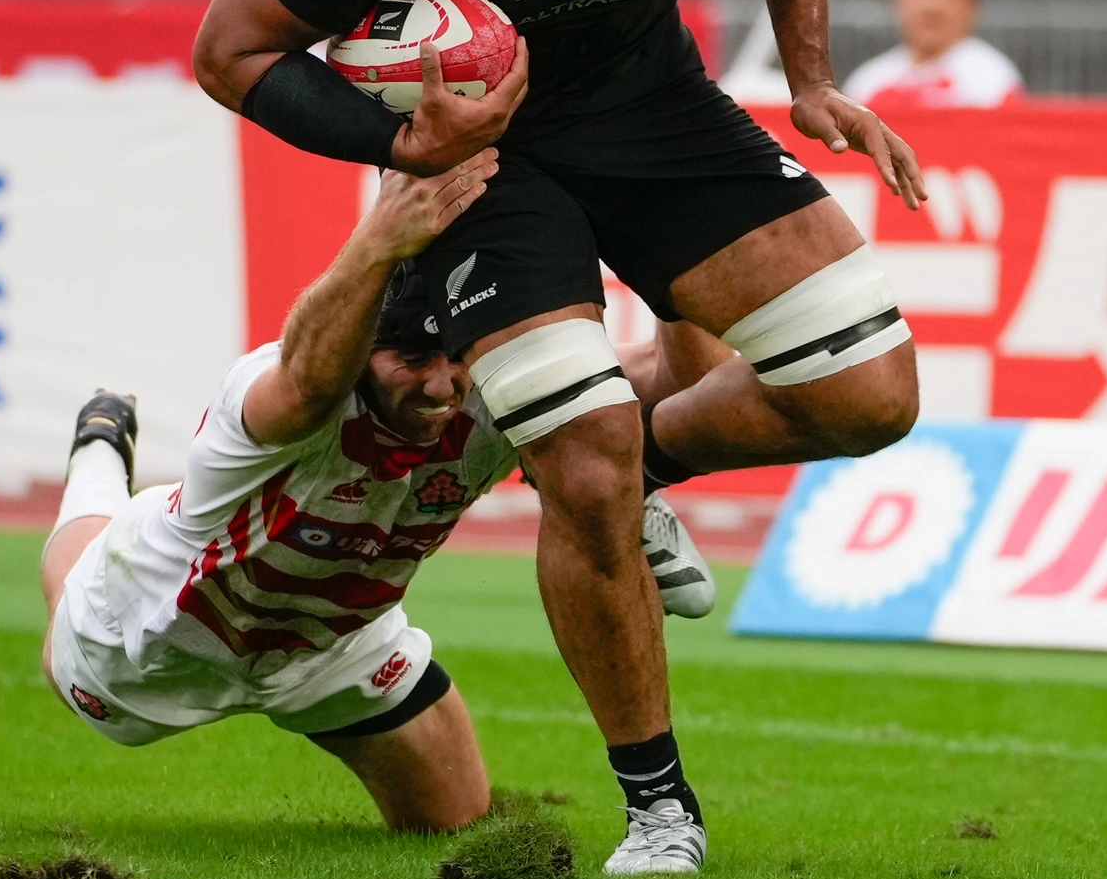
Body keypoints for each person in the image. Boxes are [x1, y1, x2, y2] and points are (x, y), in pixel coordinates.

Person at [191, 0, 924, 875]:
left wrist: (806, 72)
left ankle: (649, 462)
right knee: (578, 463)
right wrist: (398, 144)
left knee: (869, 397)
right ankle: (658, 809)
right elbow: (229, 51)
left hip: (651, 104)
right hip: (483, 162)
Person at [41, 152, 715, 837]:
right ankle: (98, 448)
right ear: (364, 347)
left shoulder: (506, 385)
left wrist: (660, 252)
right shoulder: (284, 389)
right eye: (412, 357)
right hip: (155, 634)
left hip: (334, 646)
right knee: (78, 576)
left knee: (455, 821)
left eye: (454, 354)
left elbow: (681, 377)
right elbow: (308, 378)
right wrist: (383, 236)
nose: (439, 384)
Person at [844, 0, 1022, 109]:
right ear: (899, 0)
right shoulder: (868, 82)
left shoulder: (992, 81)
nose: (932, 6)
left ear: (972, 5)